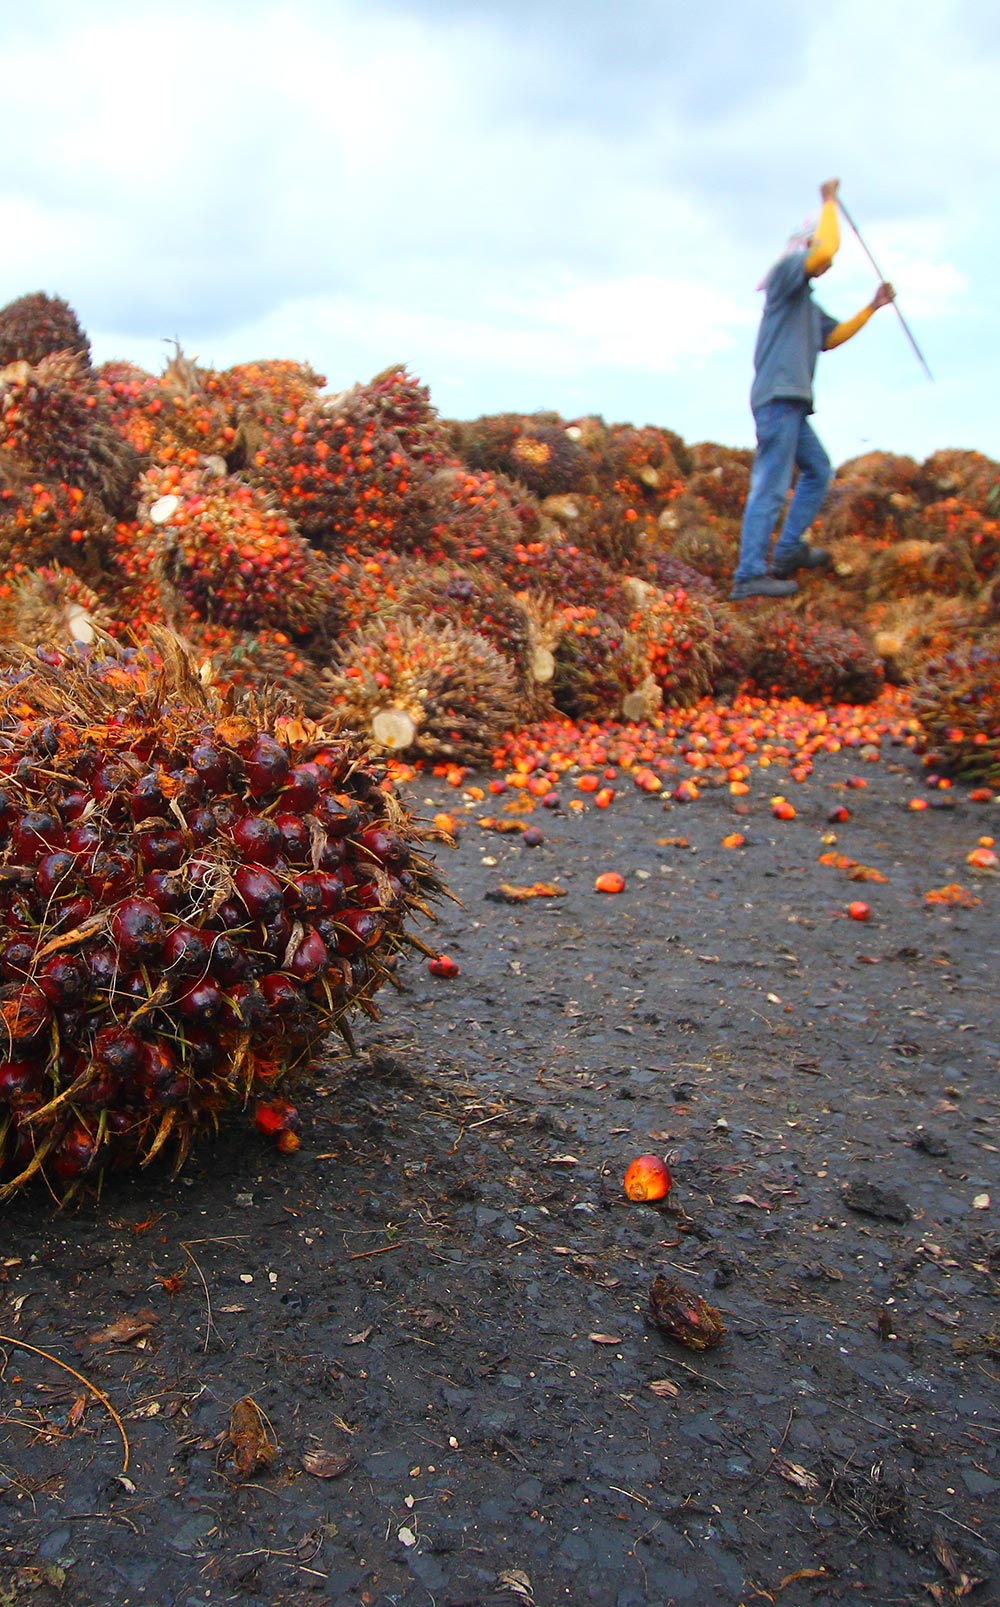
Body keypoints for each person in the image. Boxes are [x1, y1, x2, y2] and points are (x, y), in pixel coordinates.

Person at [730, 177, 896, 600]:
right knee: (770, 484)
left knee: (818, 469)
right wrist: (829, 205)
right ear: (804, 249)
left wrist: (872, 308)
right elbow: (826, 248)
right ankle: (749, 576)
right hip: (776, 400)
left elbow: (833, 336)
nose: (827, 265)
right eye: (819, 258)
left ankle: (787, 552)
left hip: (792, 404)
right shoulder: (786, 276)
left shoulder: (805, 302)